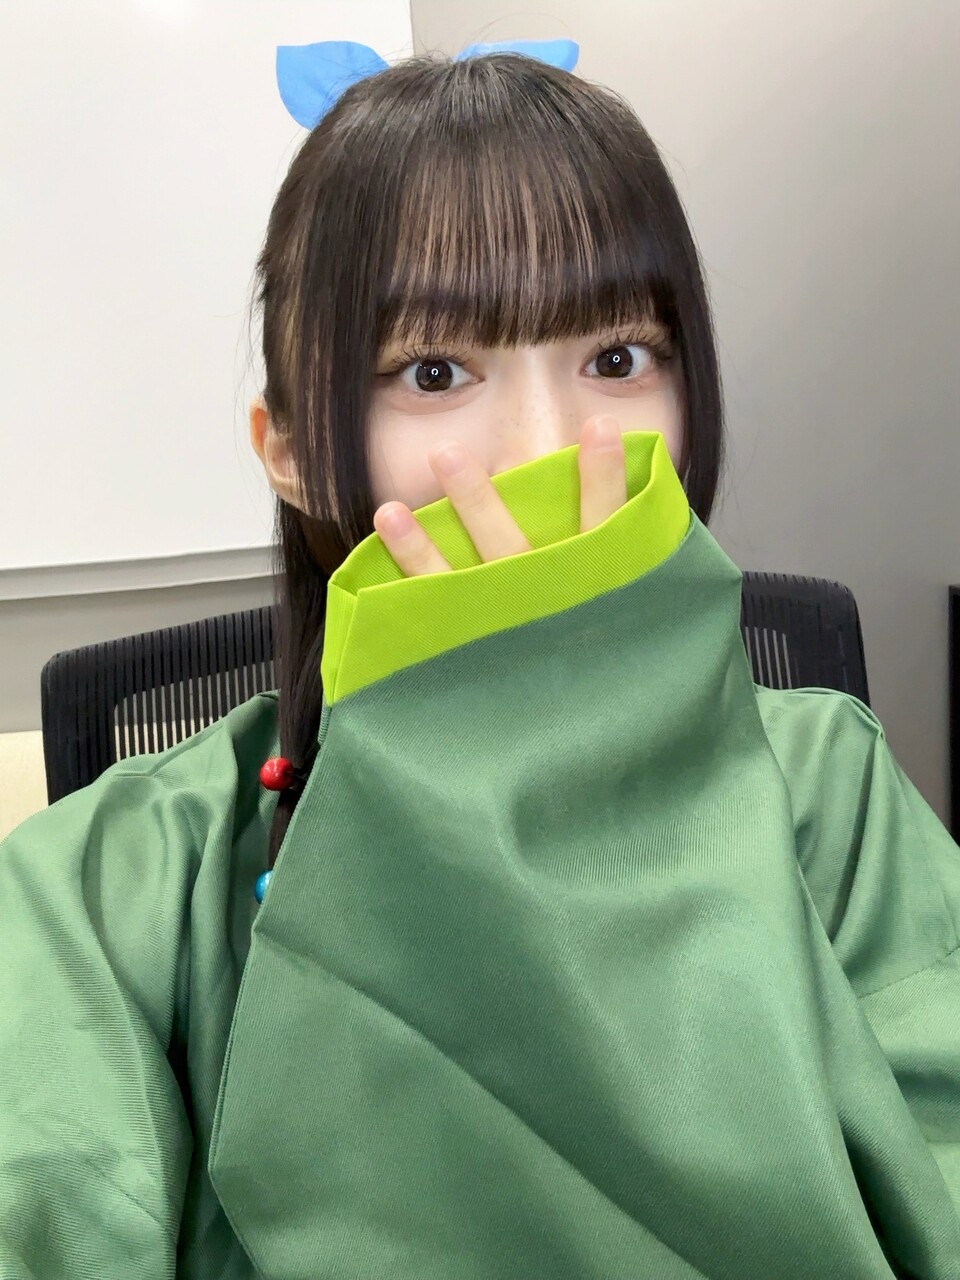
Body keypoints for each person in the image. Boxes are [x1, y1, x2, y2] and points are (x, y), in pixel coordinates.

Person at [1, 39, 958, 1280]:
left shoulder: (833, 791)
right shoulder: (105, 881)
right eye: (436, 371)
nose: (547, 448)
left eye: (617, 358)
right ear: (287, 450)